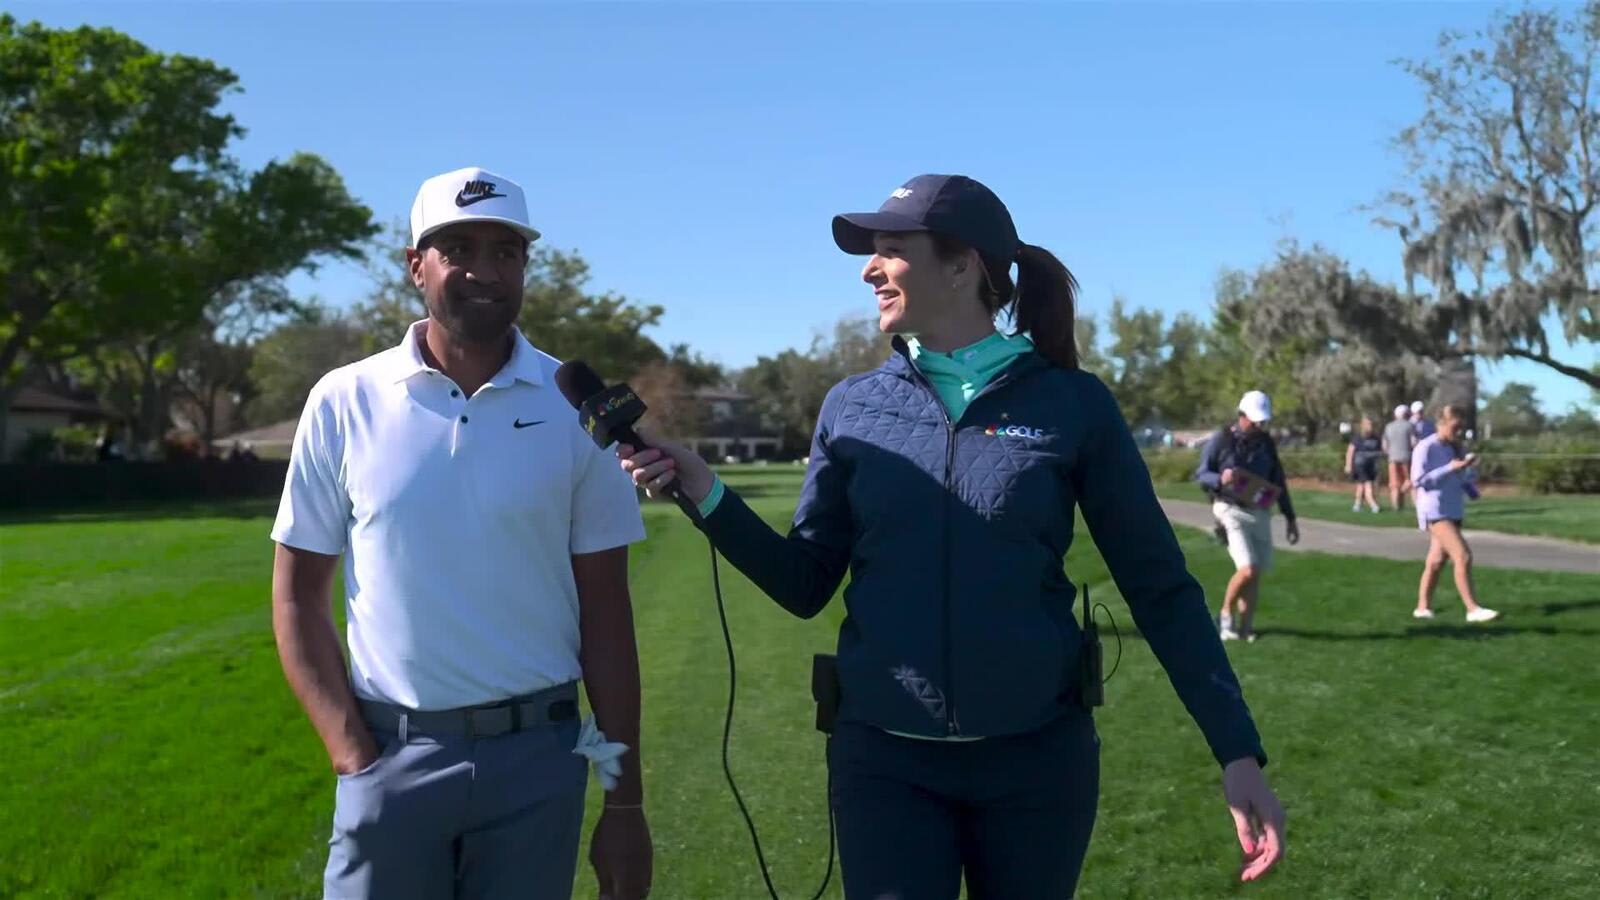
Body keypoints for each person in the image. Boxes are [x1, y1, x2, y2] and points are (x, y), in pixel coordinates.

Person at [617, 175, 1284, 897]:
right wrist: (706, 492)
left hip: (1037, 766)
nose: (870, 270)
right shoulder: (851, 407)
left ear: (962, 265)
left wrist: (1236, 751)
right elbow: (804, 583)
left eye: (891, 249)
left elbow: (1159, 588)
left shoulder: (1072, 403)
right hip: (883, 765)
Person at [270, 167, 652, 900]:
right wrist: (354, 758)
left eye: (506, 252)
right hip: (391, 759)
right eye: (459, 250)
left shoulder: (579, 410)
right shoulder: (343, 400)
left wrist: (625, 804)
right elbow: (295, 597)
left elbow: (607, 613)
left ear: (526, 266)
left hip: (540, 762)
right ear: (416, 266)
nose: (485, 270)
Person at [1196, 391, 1300, 643]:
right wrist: (1220, 479)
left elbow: (1278, 481)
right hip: (1229, 509)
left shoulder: (1266, 443)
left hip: (1260, 510)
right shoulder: (1221, 440)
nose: (1259, 426)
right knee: (1248, 568)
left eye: (1262, 422)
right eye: (1255, 421)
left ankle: (1245, 628)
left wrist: (1290, 517)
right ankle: (1224, 615)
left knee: (1255, 574)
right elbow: (1202, 474)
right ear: (1241, 416)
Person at [1411, 404, 1499, 624]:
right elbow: (1419, 480)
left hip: (1453, 509)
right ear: (1441, 423)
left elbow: (1461, 477)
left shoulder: (1455, 447)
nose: (1459, 432)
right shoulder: (1426, 447)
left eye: (1461, 428)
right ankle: (1472, 609)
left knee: (1436, 561)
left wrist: (1471, 484)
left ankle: (1422, 608)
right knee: (1462, 555)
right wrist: (1449, 468)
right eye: (1455, 427)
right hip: (1435, 510)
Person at [1344, 416, 1383, 513]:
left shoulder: (1376, 438)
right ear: (1363, 425)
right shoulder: (1358, 438)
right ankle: (1373, 505)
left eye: (1371, 424)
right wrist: (1348, 465)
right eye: (1368, 424)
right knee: (1368, 484)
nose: (1370, 426)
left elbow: (1380, 451)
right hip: (1360, 464)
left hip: (1371, 465)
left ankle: (1357, 505)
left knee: (1361, 485)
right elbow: (1350, 451)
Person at [1381, 404, 1415, 513]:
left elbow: (1385, 445)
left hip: (1392, 458)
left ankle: (1396, 506)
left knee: (1394, 484)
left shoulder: (1389, 426)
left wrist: (1390, 453)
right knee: (1410, 481)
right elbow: (1413, 442)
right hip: (1407, 457)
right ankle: (1415, 504)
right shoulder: (1410, 426)